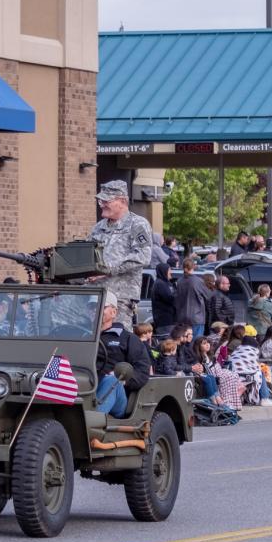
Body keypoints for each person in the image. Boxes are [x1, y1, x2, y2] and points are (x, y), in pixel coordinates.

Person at [87, 180, 152, 326]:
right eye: (100, 201)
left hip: (119, 299)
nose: (102, 204)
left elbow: (143, 255)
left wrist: (108, 269)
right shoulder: (98, 227)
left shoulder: (137, 224)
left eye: (106, 200)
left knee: (116, 342)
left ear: (122, 201)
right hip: (93, 298)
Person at [94, 295, 150, 419]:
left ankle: (92, 425)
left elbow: (143, 370)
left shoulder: (128, 339)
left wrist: (124, 380)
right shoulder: (81, 335)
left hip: (116, 394)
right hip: (86, 387)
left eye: (100, 307)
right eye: (91, 307)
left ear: (114, 312)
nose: (94, 310)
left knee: (112, 380)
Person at [175, 259, 210, 338]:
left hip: (182, 317)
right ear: (193, 267)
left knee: (185, 342)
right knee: (196, 343)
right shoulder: (198, 281)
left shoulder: (179, 281)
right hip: (196, 317)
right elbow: (208, 296)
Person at [150, 263, 176, 336]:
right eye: (169, 270)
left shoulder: (165, 283)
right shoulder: (160, 284)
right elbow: (170, 298)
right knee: (167, 342)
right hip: (165, 321)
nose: (171, 272)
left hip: (168, 320)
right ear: (164, 271)